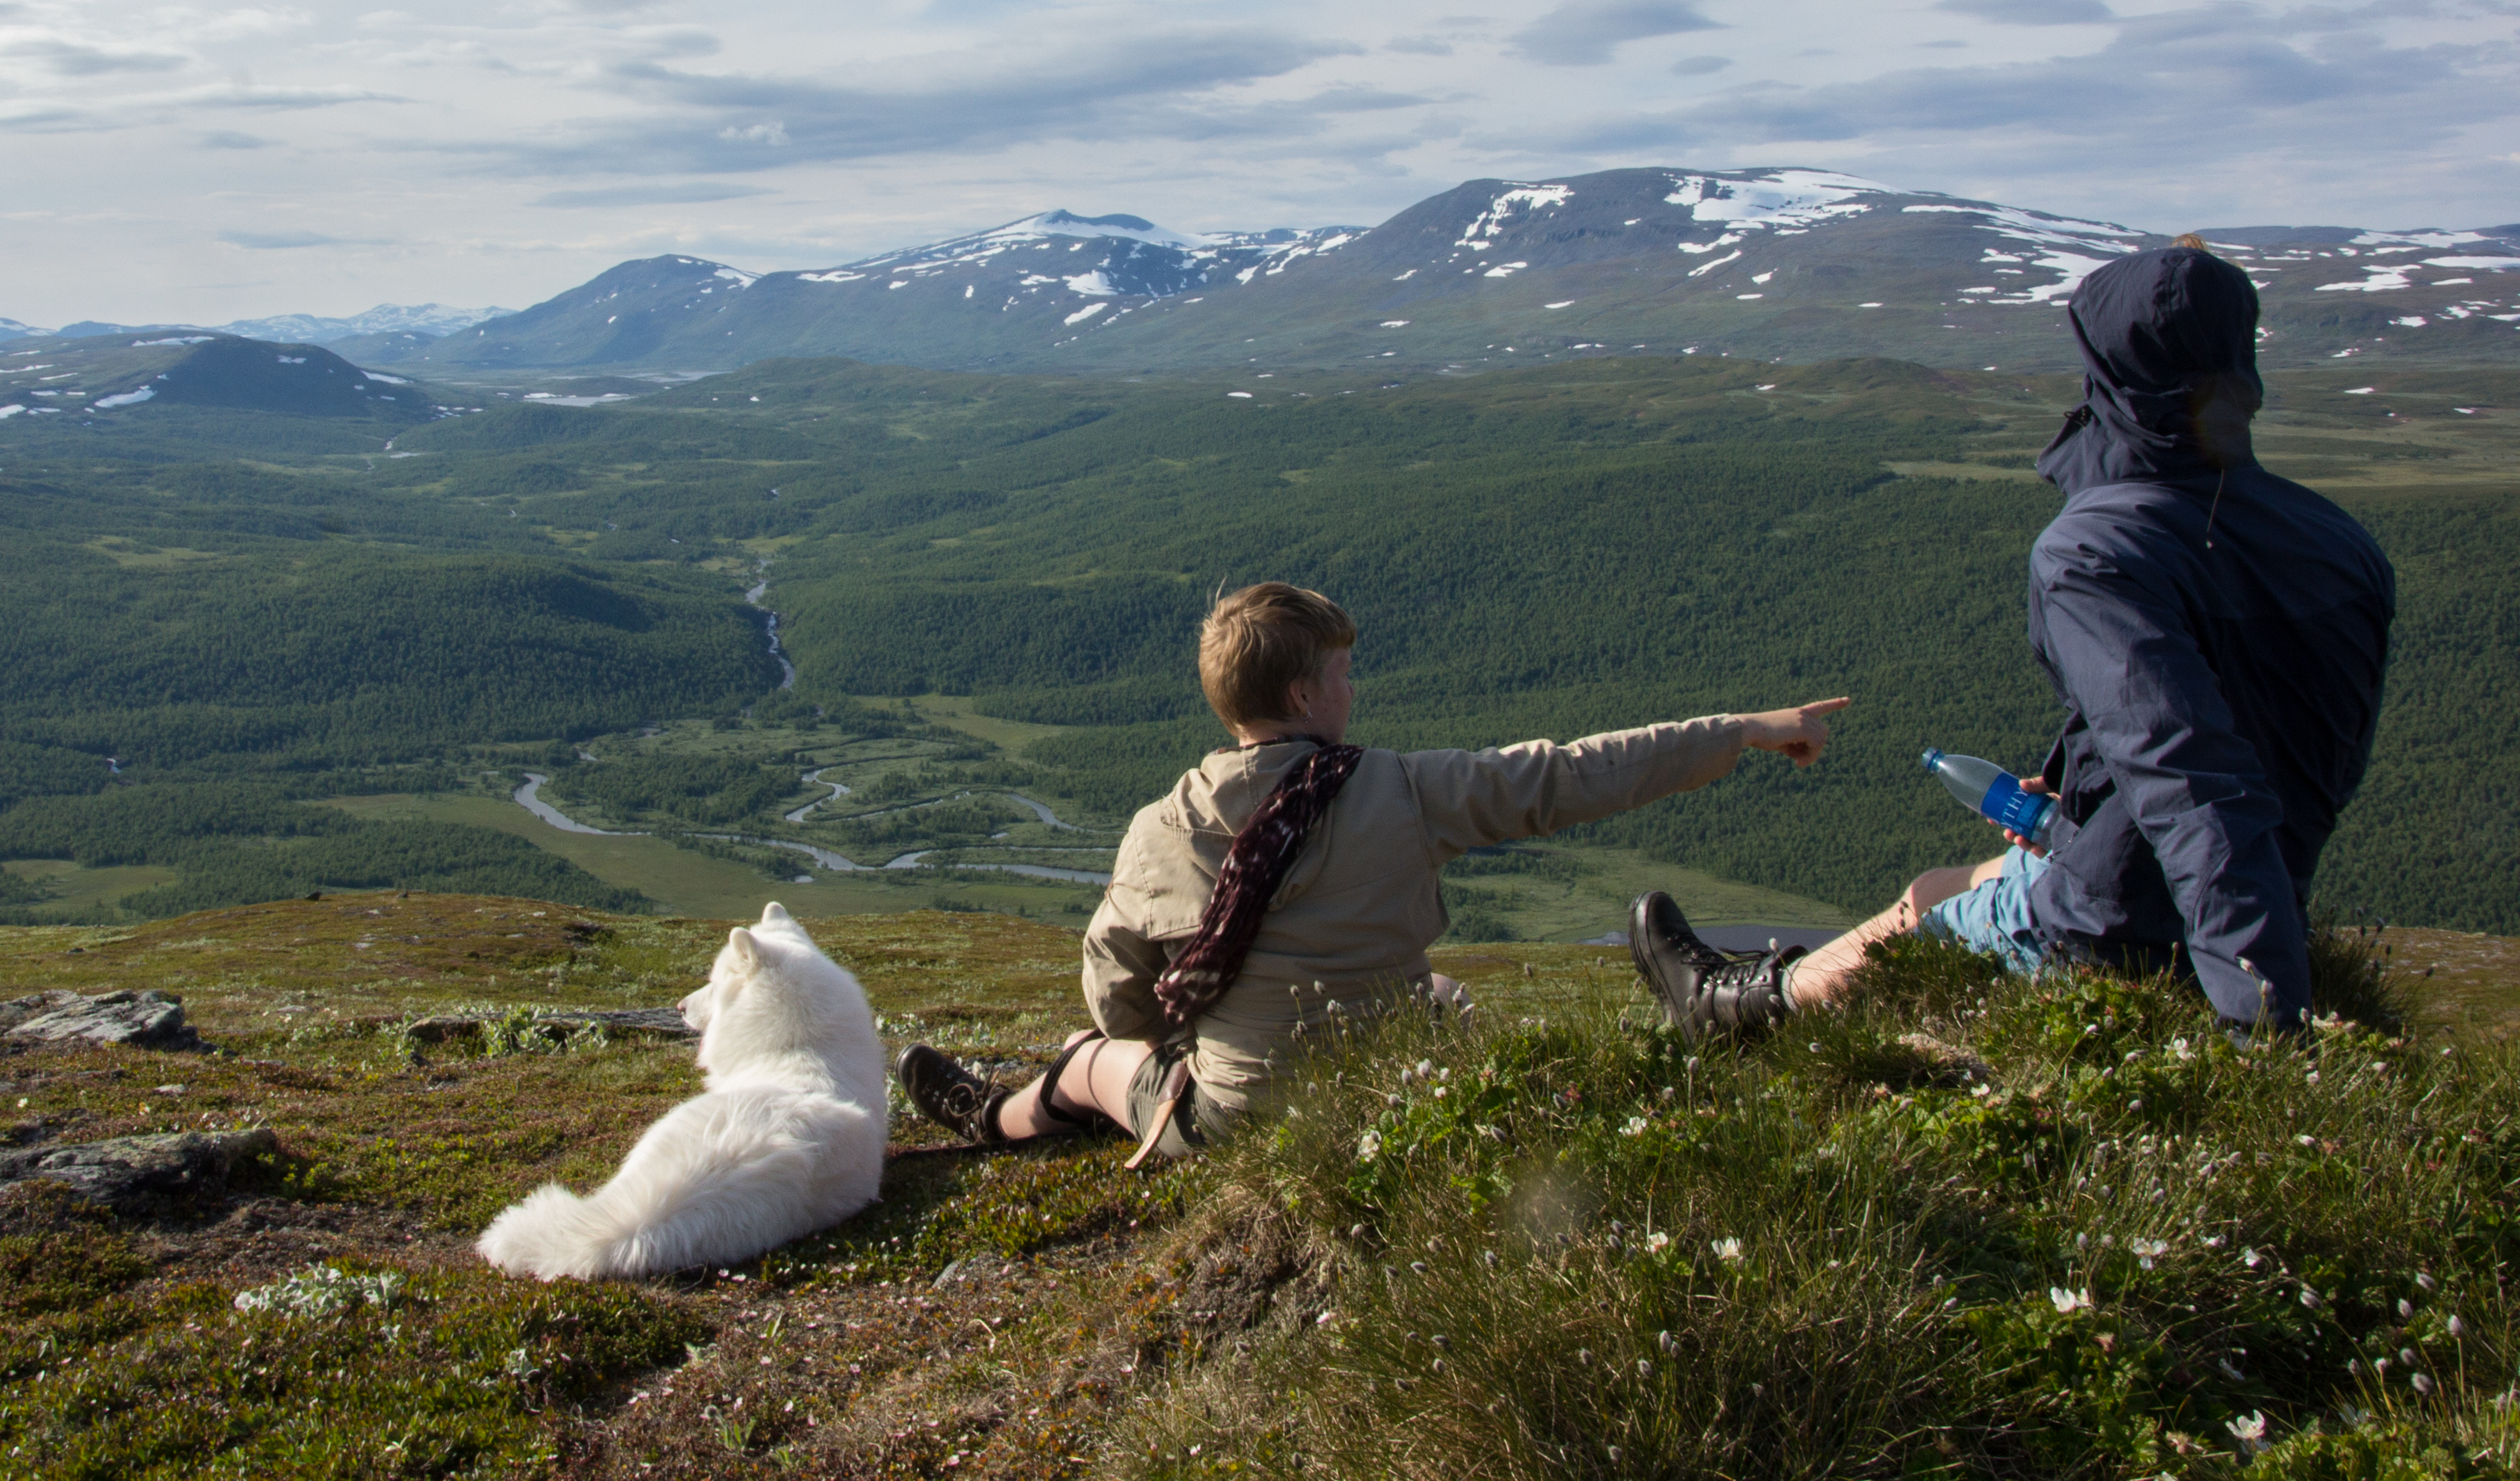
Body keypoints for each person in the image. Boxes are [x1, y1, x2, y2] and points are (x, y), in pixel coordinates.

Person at [1633, 238, 2396, 1043]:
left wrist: (2265, 1025)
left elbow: (2195, 789)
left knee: (1914, 934)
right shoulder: (2342, 542)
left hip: (2130, 926)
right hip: (2257, 887)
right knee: (1934, 885)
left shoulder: (2095, 551)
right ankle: (1757, 991)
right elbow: (2293, 748)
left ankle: (1739, 1010)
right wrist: (2086, 794)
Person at [894, 581, 1848, 1162]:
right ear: (1305, 693)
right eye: (1344, 675)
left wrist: (1178, 1034)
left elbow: (1119, 1006)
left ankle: (1001, 1116)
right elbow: (1577, 773)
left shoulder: (1159, 832)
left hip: (1237, 1123)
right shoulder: (1404, 790)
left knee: (1096, 1057)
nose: (1355, 691)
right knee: (1434, 988)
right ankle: (1008, 1111)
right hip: (1397, 1092)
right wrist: (1745, 732)